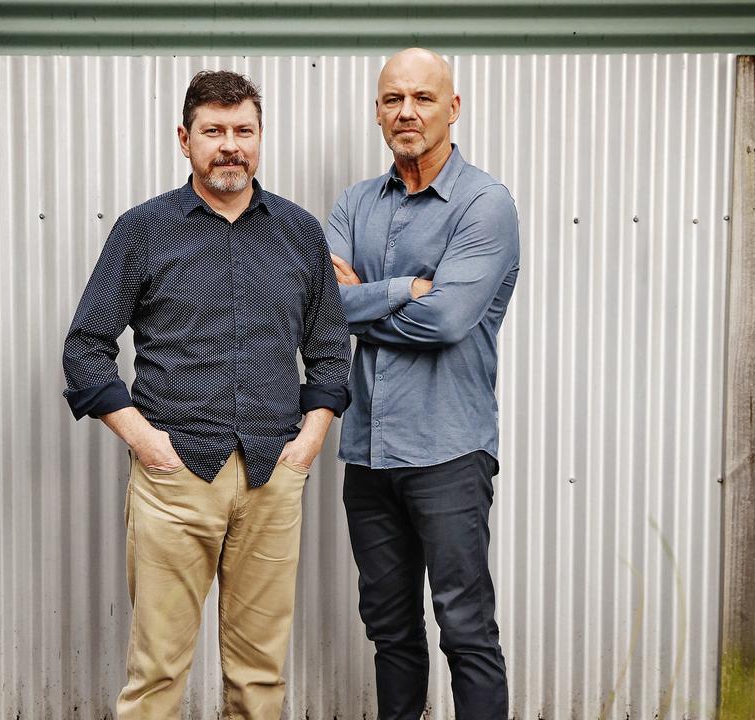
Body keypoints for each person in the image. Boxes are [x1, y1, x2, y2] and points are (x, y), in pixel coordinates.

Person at [62, 69, 351, 719]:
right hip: (174, 479)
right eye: (213, 131)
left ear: (260, 137)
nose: (229, 145)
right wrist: (145, 442)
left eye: (242, 131)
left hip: (271, 479)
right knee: (158, 672)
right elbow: (85, 347)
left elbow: (330, 349)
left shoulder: (299, 233)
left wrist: (306, 445)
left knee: (260, 677)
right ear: (184, 138)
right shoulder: (144, 231)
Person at [325, 48, 521, 720]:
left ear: (452, 107)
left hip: (448, 453)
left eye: (423, 97)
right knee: (391, 633)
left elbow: (445, 323)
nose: (406, 111)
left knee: (465, 630)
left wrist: (365, 301)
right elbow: (318, 308)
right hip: (368, 454)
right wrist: (407, 288)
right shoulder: (355, 203)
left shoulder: (484, 204)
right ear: (378, 111)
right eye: (392, 99)